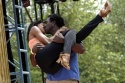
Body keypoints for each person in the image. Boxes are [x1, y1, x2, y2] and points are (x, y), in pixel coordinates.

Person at [31, 1, 112, 83]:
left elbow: (81, 50)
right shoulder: (47, 40)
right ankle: (99, 16)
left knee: (72, 33)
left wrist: (63, 40)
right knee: (72, 32)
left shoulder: (69, 36)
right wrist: (32, 52)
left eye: (46, 22)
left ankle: (100, 16)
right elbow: (34, 64)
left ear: (53, 23)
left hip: (67, 79)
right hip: (50, 79)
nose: (44, 25)